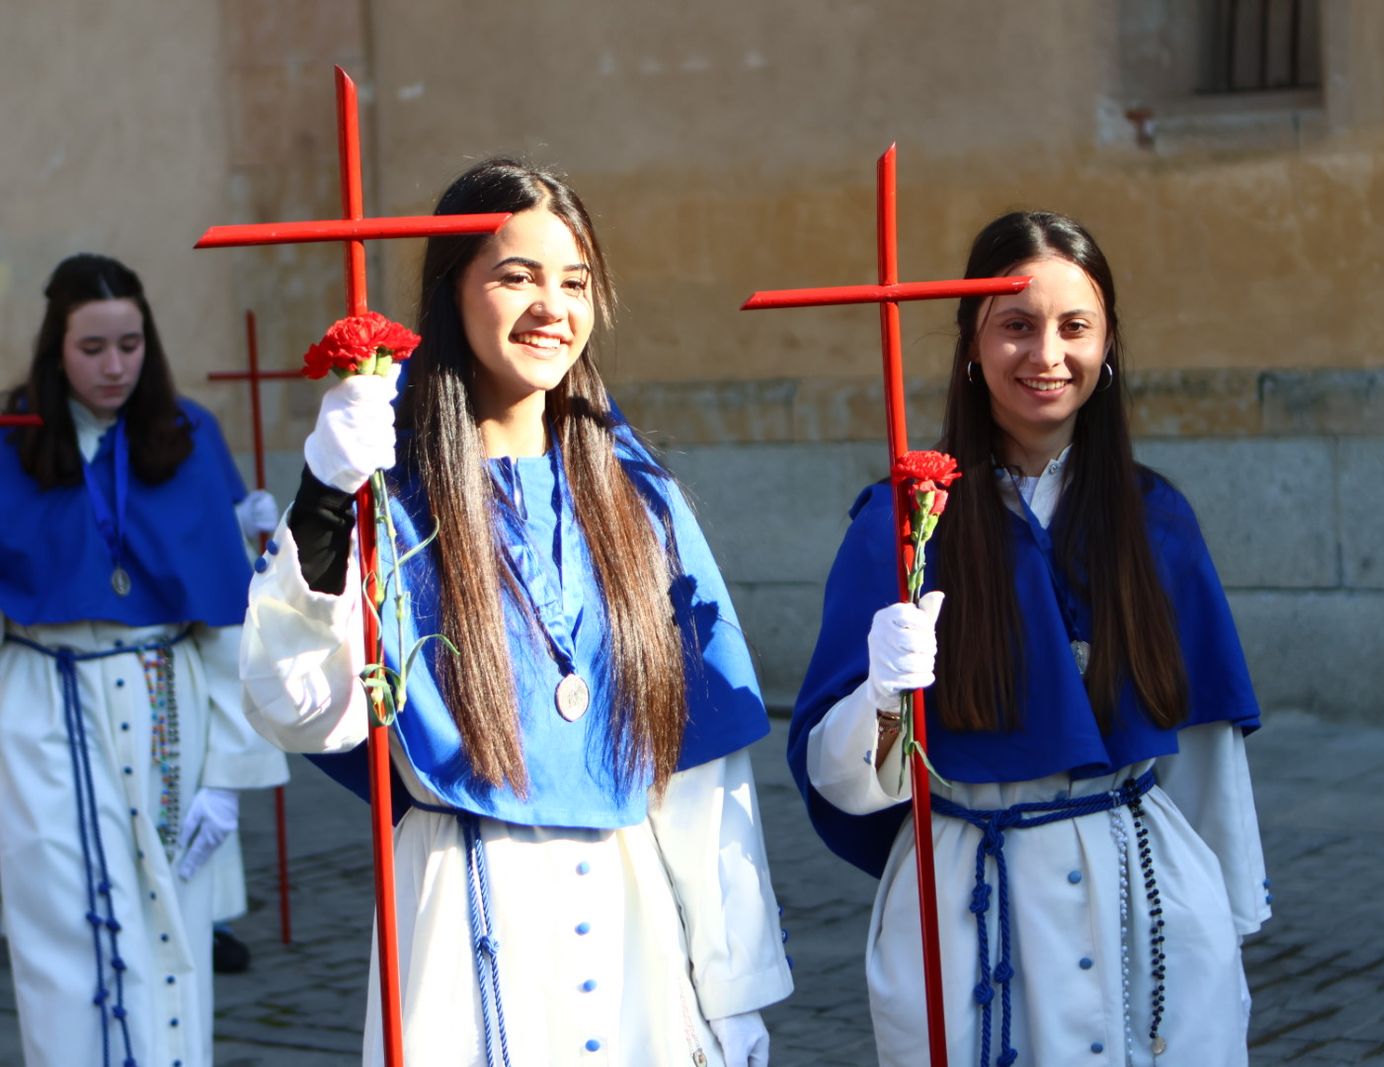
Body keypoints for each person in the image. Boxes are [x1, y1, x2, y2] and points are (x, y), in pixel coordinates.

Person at [240, 158, 793, 1066]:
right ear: (450, 291)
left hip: (633, 931)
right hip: (463, 913)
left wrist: (733, 996)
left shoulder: (638, 496)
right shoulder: (390, 492)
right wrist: (331, 487)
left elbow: (702, 772)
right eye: (516, 276)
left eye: (574, 282)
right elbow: (292, 704)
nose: (552, 307)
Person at [789, 212, 1271, 1066]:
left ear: (1108, 343)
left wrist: (1226, 919)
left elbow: (1202, 745)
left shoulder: (1155, 516)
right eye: (1016, 325)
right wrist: (884, 696)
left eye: (1074, 326)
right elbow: (856, 782)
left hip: (1146, 898)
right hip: (974, 898)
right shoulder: (903, 525)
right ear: (972, 348)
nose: (1047, 354)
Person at [0, 253, 290, 1067]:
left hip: (169, 700)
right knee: (59, 927)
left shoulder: (186, 434)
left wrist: (230, 779)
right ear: (56, 347)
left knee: (172, 926)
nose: (115, 366)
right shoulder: (11, 438)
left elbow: (233, 618)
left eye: (130, 343)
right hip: (40, 707)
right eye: (92, 347)